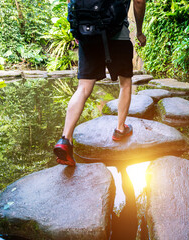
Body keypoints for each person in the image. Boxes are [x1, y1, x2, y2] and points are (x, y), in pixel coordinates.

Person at [54, 0, 147, 166]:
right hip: (117, 33)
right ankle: (120, 129)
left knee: (83, 88)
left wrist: (78, 29)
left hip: (88, 33)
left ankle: (65, 139)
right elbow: (139, 1)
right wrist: (139, 32)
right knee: (125, 83)